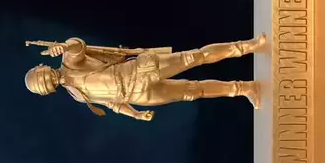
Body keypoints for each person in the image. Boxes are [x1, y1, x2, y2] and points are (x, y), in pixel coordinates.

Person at [24, 34, 267, 121]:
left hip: (139, 71)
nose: (47, 81)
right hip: (140, 95)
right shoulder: (76, 95)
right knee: (192, 91)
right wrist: (136, 114)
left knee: (195, 57)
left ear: (43, 67)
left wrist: (64, 47)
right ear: (48, 91)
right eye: (44, 84)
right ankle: (244, 88)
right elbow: (112, 104)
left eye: (42, 77)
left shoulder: (69, 62)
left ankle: (248, 46)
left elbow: (78, 46)